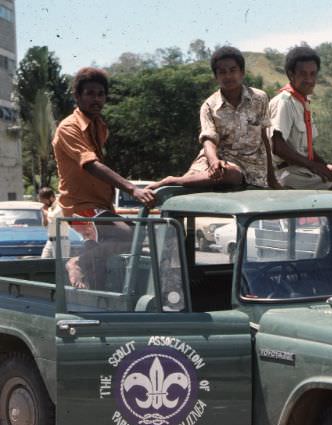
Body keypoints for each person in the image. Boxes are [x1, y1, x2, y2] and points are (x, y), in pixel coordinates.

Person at [52, 67, 156, 288]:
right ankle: (77, 262)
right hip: (80, 206)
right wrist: (132, 189)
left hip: (100, 206)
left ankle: (94, 300)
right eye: (89, 93)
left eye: (100, 94)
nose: (96, 99)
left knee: (104, 258)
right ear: (77, 96)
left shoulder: (99, 127)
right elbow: (90, 164)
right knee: (128, 236)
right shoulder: (69, 127)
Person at [148, 47, 277, 190]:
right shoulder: (209, 106)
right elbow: (208, 140)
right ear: (216, 77)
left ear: (242, 73)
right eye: (222, 72)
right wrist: (214, 161)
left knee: (231, 174)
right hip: (214, 161)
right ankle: (174, 182)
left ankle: (173, 180)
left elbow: (265, 139)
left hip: (249, 166)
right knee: (181, 189)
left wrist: (272, 178)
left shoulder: (259, 98)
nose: (228, 76)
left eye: (233, 70)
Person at [269, 46, 332, 191]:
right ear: (291, 75)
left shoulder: (303, 103)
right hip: (290, 174)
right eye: (303, 74)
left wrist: (324, 166)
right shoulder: (284, 102)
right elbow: (277, 146)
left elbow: (306, 150)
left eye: (313, 74)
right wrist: (314, 167)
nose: (309, 80)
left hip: (304, 172)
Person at [38, 187, 70, 258]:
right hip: (50, 240)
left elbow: (54, 217)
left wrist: (45, 212)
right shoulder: (49, 208)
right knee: (43, 261)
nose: (43, 203)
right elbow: (45, 225)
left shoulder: (60, 205)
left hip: (61, 241)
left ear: (51, 197)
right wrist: (43, 214)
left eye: (44, 200)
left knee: (61, 265)